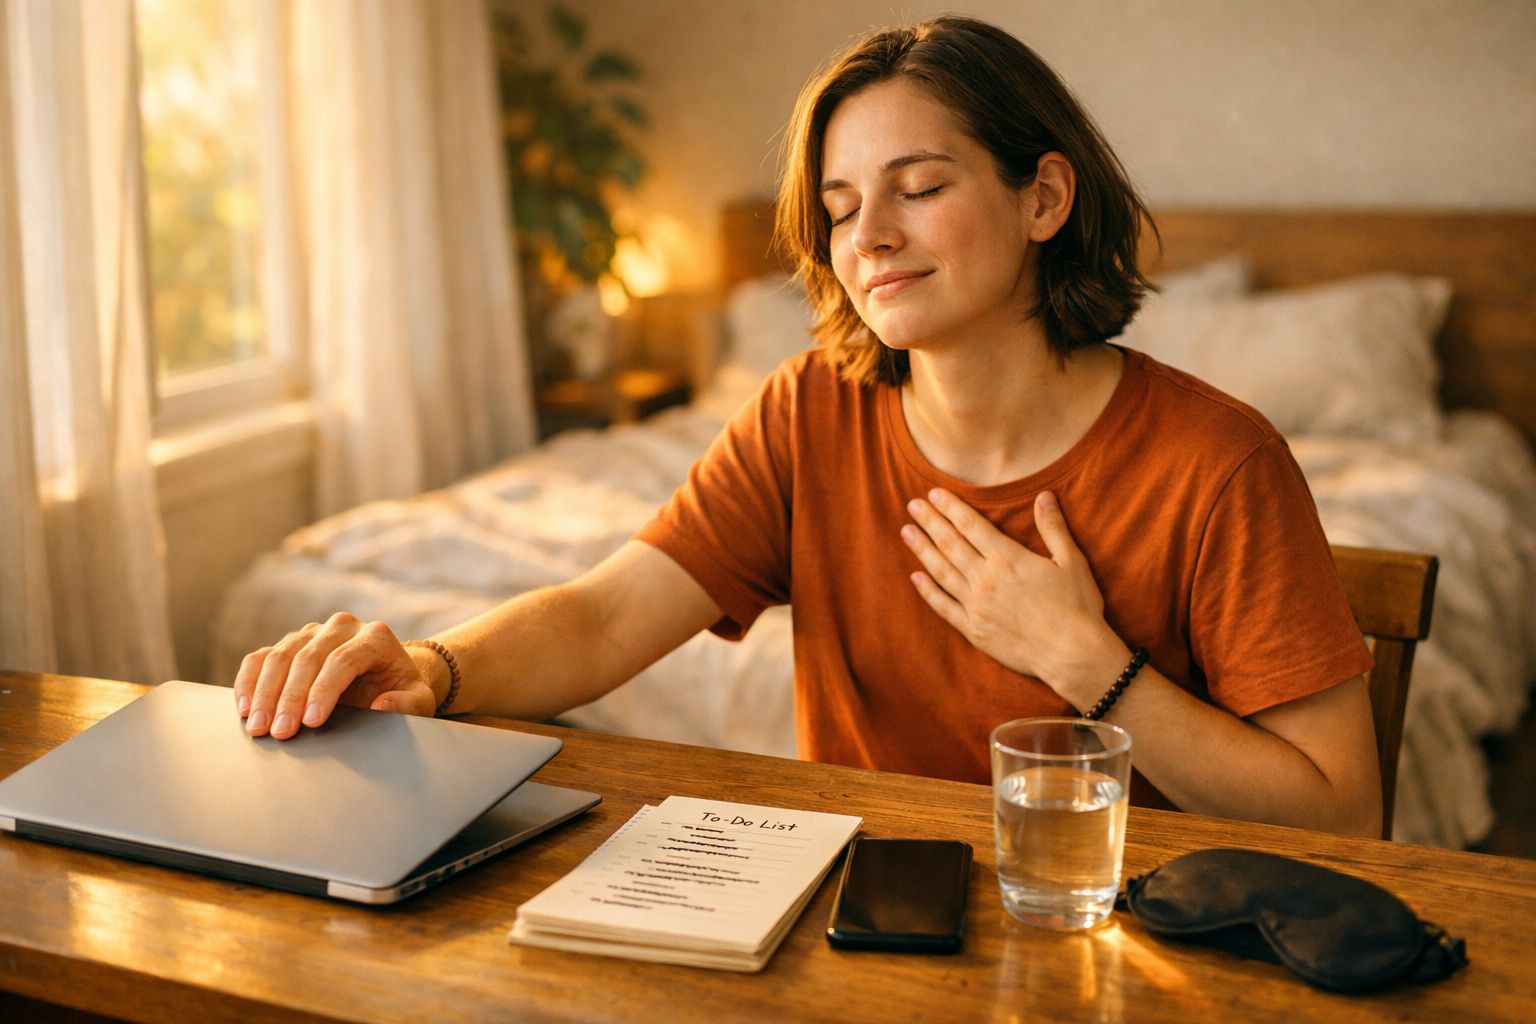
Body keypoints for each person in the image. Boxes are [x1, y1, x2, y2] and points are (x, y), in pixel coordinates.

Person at [232, 17, 1381, 837]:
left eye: (919, 187)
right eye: (838, 209)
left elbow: (1344, 813)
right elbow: (602, 618)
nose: (868, 234)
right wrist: (432, 669)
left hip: (1126, 938)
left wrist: (1087, 662)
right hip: (864, 926)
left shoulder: (1220, 463)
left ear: (1043, 197)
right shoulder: (807, 414)